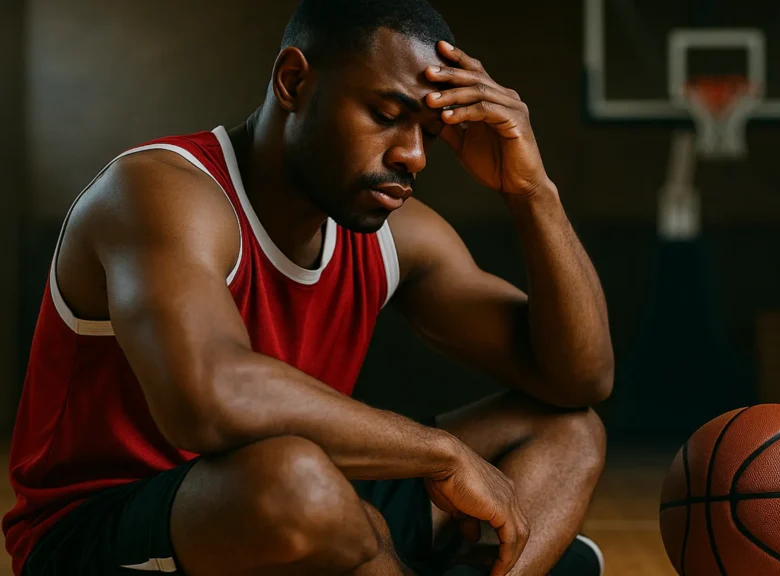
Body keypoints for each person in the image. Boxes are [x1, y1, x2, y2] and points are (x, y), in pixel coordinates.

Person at [3, 1, 614, 575]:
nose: (414, 156)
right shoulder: (160, 191)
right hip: (101, 532)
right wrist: (442, 452)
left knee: (570, 431)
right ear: (293, 81)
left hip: (311, 508)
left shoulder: (397, 236)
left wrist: (532, 191)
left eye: (429, 132)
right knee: (294, 480)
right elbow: (210, 399)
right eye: (388, 115)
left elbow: (578, 378)